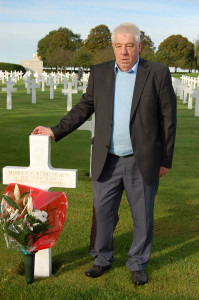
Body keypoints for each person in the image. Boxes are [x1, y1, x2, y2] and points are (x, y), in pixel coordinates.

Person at [32, 22, 176, 285]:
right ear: (113, 47)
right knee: (103, 212)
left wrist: (165, 159)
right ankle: (102, 259)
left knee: (142, 215)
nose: (124, 52)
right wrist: (55, 130)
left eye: (130, 46)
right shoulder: (99, 73)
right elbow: (84, 107)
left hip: (141, 160)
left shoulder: (156, 73)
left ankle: (137, 263)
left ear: (139, 47)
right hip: (106, 159)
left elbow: (168, 118)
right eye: (119, 46)